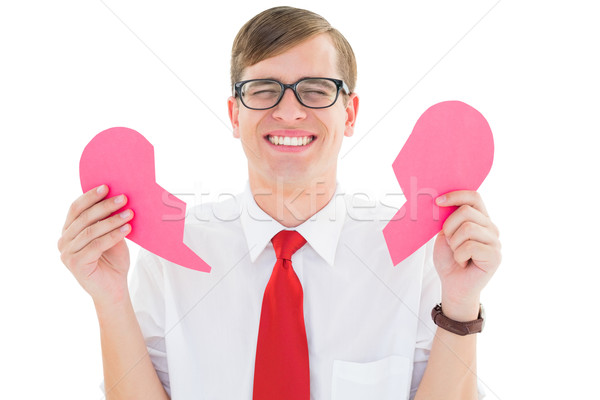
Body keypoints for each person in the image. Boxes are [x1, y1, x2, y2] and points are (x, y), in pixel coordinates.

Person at [57, 6, 501, 400]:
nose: (289, 112)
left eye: (316, 89)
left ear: (349, 114)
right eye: (265, 89)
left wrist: (461, 302)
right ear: (235, 114)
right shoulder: (171, 260)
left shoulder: (417, 258)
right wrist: (109, 298)